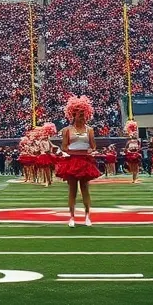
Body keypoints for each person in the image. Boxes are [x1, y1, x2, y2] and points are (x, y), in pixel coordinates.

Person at [55, 95, 101, 227]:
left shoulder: (90, 130)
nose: (82, 116)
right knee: (72, 190)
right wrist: (65, 152)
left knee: (85, 188)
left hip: (85, 160)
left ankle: (87, 216)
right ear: (73, 114)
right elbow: (64, 146)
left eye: (84, 114)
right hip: (72, 160)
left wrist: (91, 151)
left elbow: (93, 146)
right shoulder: (67, 130)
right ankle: (72, 217)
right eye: (80, 114)